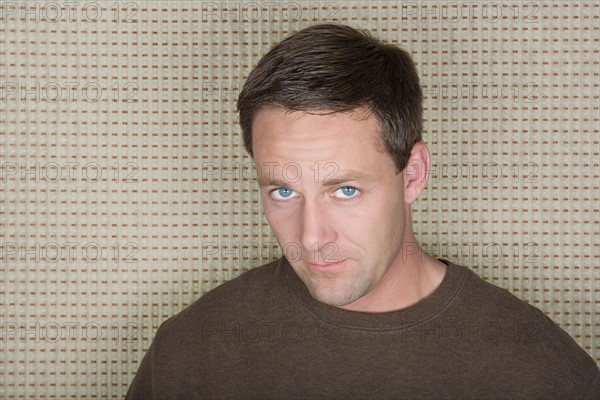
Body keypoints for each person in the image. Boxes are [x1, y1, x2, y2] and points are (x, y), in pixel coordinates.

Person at [126, 24, 599, 399]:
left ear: (412, 174)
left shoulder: (538, 370)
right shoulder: (190, 353)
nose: (311, 238)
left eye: (345, 190)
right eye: (284, 192)